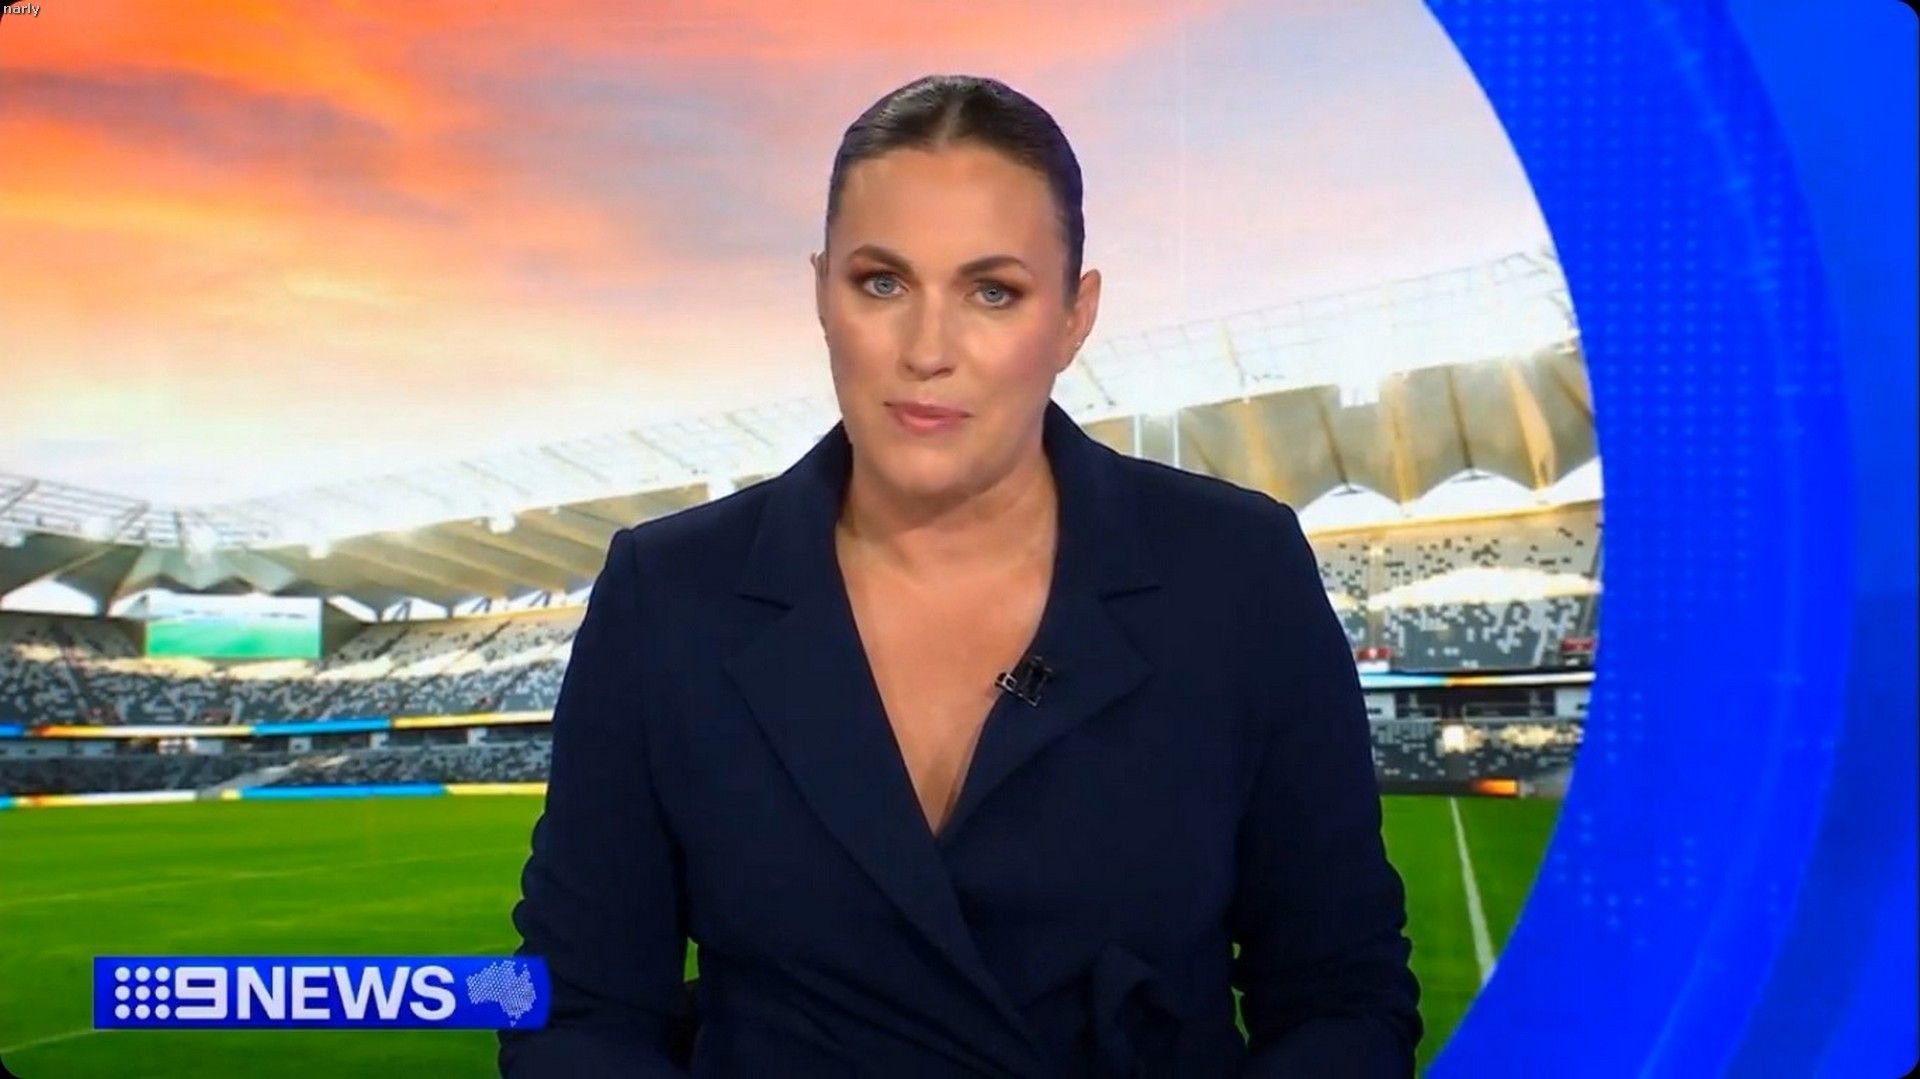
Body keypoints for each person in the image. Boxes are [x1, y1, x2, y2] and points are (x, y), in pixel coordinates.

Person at [500, 73, 1420, 1077]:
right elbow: (576, 1007)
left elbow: (1340, 994)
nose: (927, 350)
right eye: (881, 283)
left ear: (1074, 315)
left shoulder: (1236, 572)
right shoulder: (669, 593)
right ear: (822, 293)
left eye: (993, 291)